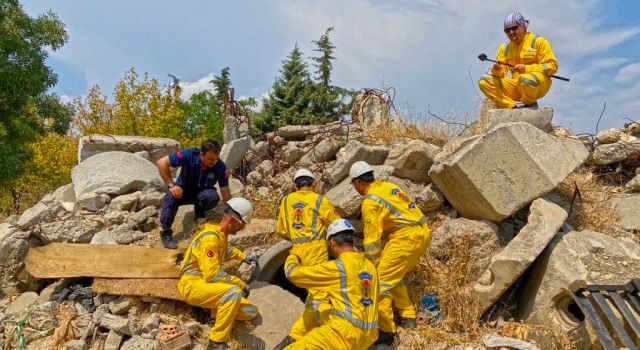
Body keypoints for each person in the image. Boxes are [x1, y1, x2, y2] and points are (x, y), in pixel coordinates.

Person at [349, 161, 431, 345]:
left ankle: (386, 332)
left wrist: (370, 263)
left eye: (354, 186)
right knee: (393, 276)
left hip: (406, 238)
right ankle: (408, 317)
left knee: (379, 282)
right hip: (421, 232)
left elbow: (371, 241)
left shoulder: (370, 201)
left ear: (358, 183)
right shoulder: (388, 186)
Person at [282, 218, 379, 350]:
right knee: (321, 308)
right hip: (369, 336)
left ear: (332, 241)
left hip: (345, 335)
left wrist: (294, 256)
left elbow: (293, 274)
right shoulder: (370, 267)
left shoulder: (338, 268)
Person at [177, 197, 259, 350]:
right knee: (234, 293)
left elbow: (227, 250)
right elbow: (212, 275)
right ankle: (216, 342)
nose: (241, 229)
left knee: (250, 311)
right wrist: (240, 283)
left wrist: (244, 257)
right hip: (192, 284)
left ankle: (209, 313)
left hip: (206, 285)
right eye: (242, 224)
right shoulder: (210, 238)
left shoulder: (220, 236)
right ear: (233, 219)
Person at [274, 169, 341, 349]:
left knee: (313, 293)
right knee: (321, 293)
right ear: (314, 184)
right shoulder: (320, 200)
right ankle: (325, 330)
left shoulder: (286, 200)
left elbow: (281, 230)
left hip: (296, 250)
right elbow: (337, 225)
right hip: (316, 250)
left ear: (295, 186)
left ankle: (297, 335)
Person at [156, 139, 232, 249]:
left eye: (216, 159)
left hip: (202, 194)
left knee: (212, 197)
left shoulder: (220, 166)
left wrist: (230, 211)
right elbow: (161, 163)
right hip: (182, 191)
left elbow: (225, 190)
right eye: (210, 158)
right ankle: (166, 232)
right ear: (202, 154)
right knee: (170, 197)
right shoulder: (189, 155)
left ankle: (199, 214)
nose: (213, 162)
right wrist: (172, 186)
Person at [478, 12, 559, 109]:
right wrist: (496, 69)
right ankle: (512, 106)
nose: (511, 32)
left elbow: (552, 66)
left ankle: (528, 102)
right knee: (484, 81)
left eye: (514, 28)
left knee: (525, 80)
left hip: (537, 85)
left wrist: (527, 68)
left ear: (524, 26)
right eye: (507, 30)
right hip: (517, 86)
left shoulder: (539, 42)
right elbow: (501, 74)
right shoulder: (504, 48)